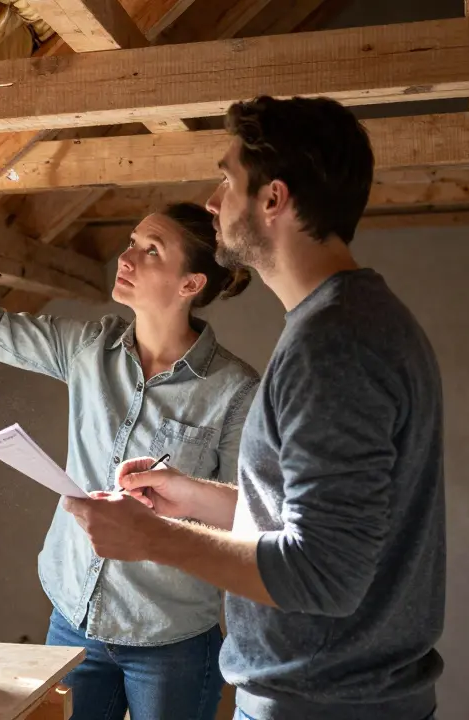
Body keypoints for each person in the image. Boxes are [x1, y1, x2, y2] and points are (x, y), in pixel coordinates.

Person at [62, 95, 446, 720]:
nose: (213, 202)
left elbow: (323, 573)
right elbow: (321, 524)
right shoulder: (347, 323)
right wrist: (196, 499)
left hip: (320, 706)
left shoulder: (335, 346)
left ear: (273, 200)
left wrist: (155, 539)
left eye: (227, 179)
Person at [0, 158, 260, 720]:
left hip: (170, 639)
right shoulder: (88, 348)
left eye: (151, 250)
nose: (126, 257)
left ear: (190, 284)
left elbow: (252, 518)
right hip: (71, 618)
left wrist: (176, 503)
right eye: (131, 242)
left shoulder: (235, 390)